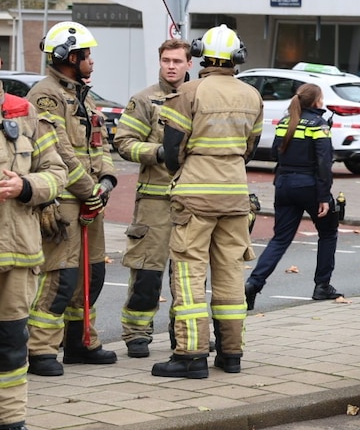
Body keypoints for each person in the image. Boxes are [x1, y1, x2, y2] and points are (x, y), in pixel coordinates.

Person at [153, 25, 263, 379]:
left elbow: (172, 150)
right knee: (230, 274)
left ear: (200, 53)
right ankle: (231, 355)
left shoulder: (188, 91)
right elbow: (250, 150)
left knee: (188, 273)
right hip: (235, 197)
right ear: (238, 57)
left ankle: (191, 356)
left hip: (195, 197)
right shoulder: (252, 95)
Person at [26, 21, 119, 376]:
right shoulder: (45, 95)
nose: (92, 61)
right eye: (86, 54)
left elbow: (102, 142)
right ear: (68, 56)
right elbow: (59, 151)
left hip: (91, 199)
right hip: (64, 199)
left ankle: (81, 343)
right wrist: (88, 189)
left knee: (91, 275)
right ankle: (41, 350)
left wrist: (107, 180)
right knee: (61, 276)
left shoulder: (84, 95)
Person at [0, 74, 67, 430]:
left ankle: (10, 424)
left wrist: (25, 186)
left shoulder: (24, 112)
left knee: (11, 345)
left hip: (18, 252)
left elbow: (56, 172)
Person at [113, 39, 192, 359]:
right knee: (147, 274)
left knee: (187, 276)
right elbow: (123, 143)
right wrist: (158, 152)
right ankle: (136, 334)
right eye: (165, 60)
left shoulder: (197, 97)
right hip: (154, 202)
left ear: (189, 64)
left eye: (177, 61)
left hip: (190, 201)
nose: (171, 66)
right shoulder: (144, 100)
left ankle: (183, 335)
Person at [245, 83, 342, 310]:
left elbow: (274, 152)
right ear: (317, 101)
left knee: (280, 239)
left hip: (284, 185)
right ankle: (322, 286)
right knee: (328, 233)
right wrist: (324, 196)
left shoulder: (286, 122)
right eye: (322, 98)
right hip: (309, 186)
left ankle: (253, 284)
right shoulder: (319, 125)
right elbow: (324, 163)